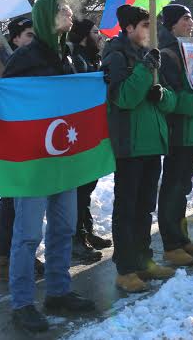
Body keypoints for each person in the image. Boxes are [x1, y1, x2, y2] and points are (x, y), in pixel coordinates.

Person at [0, 0, 96, 332]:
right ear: (45, 16)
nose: (69, 12)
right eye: (61, 9)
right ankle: (23, 303)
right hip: (34, 162)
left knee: (64, 228)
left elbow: (86, 89)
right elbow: (8, 101)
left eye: (69, 8)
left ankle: (58, 291)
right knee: (27, 236)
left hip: (65, 159)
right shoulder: (26, 57)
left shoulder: (71, 54)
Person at [103, 5, 178, 293]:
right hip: (130, 144)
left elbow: (167, 101)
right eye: (145, 25)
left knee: (145, 208)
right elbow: (123, 98)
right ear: (129, 28)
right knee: (127, 208)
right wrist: (145, 69)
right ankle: (126, 269)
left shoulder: (149, 55)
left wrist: (162, 95)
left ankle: (144, 260)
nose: (151, 30)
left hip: (152, 141)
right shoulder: (117, 55)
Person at [0, 18, 43, 282]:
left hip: (33, 138)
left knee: (26, 200)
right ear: (14, 39)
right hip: (9, 141)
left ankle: (19, 254)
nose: (33, 40)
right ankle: (6, 258)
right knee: (12, 200)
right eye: (28, 35)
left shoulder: (35, 58)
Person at [156, 4, 193, 267]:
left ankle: (182, 239)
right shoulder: (166, 54)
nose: (190, 22)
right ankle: (171, 244)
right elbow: (174, 97)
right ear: (171, 24)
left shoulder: (189, 49)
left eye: (191, 17)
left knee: (183, 188)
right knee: (173, 188)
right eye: (184, 18)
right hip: (179, 129)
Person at [66, 19, 108, 263]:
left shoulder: (93, 57)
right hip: (77, 132)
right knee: (79, 189)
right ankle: (76, 238)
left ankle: (87, 230)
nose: (100, 37)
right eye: (95, 33)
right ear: (83, 36)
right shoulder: (75, 58)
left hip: (93, 130)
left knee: (88, 186)